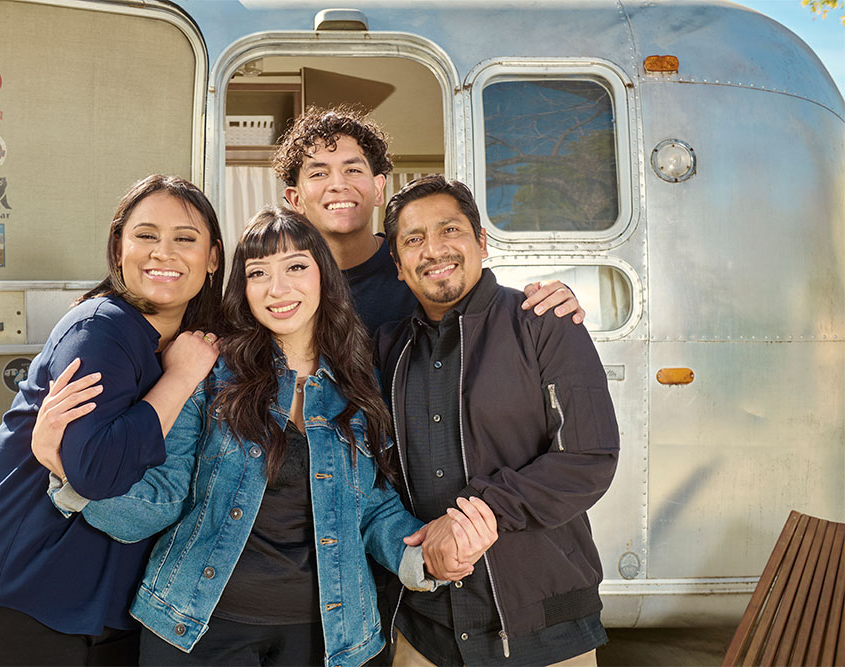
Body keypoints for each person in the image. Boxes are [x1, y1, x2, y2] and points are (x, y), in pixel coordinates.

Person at [38, 206, 499, 667]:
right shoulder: (212, 375)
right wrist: (73, 476)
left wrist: (422, 559)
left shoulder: (362, 381)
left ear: (324, 276)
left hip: (332, 636)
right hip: (194, 625)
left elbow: (374, 506)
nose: (278, 289)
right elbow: (164, 498)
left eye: (296, 267)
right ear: (244, 287)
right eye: (258, 273)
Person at [0, 175, 225, 665]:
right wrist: (181, 378)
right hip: (17, 595)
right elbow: (97, 472)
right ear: (118, 247)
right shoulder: (102, 329)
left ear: (213, 257)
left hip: (94, 609)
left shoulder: (182, 345)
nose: (163, 253)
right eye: (146, 235)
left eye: (185, 239)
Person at [377, 176, 620, 667]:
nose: (435, 250)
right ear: (399, 266)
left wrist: (471, 518)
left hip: (544, 630)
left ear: (481, 241)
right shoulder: (387, 349)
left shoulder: (544, 322)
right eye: (414, 239)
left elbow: (589, 458)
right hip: (427, 632)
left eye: (450, 230)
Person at [271, 105, 586, 335]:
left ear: (378, 188)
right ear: (295, 199)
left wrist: (545, 300)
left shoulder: (419, 264)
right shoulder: (281, 283)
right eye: (319, 173)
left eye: (353, 170)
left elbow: (482, 308)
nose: (338, 184)